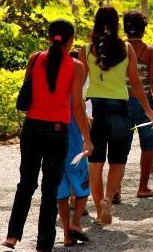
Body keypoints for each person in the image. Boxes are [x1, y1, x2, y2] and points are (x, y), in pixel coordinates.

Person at [2, 19, 93, 252]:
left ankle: (12, 235)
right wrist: (86, 137)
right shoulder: (76, 66)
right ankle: (44, 245)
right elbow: (77, 107)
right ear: (71, 40)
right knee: (50, 188)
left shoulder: (34, 58)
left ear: (49, 37)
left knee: (26, 182)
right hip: (57, 131)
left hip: (31, 127)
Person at [79, 7, 153, 225]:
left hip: (95, 110)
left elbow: (77, 87)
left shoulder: (85, 50)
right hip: (120, 108)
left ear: (96, 23)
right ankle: (108, 200)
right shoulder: (127, 48)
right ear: (116, 25)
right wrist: (149, 110)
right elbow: (136, 84)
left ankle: (98, 210)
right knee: (118, 160)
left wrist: (76, 110)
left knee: (95, 162)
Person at [123, 11, 153, 199]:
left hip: (122, 102)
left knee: (121, 146)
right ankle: (142, 188)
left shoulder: (119, 48)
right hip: (145, 104)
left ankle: (116, 190)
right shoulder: (150, 51)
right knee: (147, 146)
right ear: (144, 29)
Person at [56, 49, 91, 247]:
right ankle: (76, 223)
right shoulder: (75, 90)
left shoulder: (52, 88)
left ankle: (66, 234)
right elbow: (80, 112)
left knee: (60, 191)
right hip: (75, 144)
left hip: (54, 144)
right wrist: (88, 139)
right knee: (81, 186)